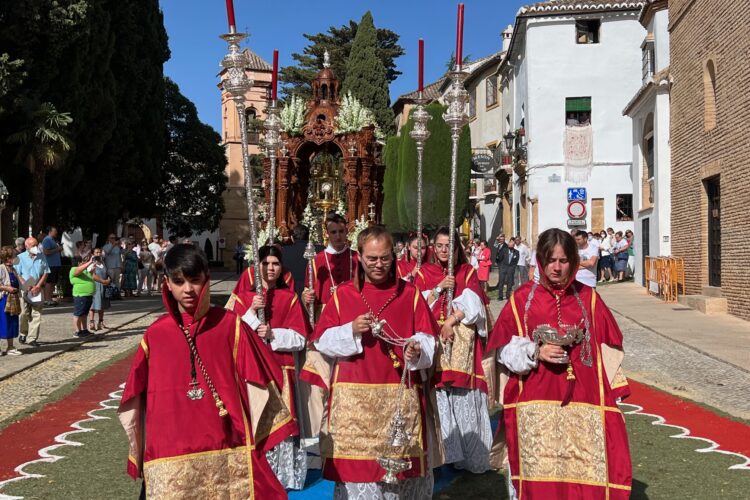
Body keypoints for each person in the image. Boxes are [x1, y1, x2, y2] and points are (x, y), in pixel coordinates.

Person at [117, 244, 289, 499]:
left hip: (227, 444)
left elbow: (261, 379)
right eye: (179, 281)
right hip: (169, 450)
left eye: (195, 280)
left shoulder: (231, 325)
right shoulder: (155, 335)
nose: (187, 289)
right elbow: (135, 397)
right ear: (167, 283)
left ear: (206, 279)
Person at [488, 228, 632, 498]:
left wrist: (615, 390)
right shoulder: (522, 300)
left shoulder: (588, 299)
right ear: (540, 261)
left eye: (563, 261)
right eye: (550, 261)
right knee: (538, 480)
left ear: (573, 262)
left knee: (580, 478)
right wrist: (535, 351)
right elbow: (502, 352)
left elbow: (607, 346)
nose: (556, 268)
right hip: (535, 404)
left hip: (582, 405)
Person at [312, 226, 439, 497]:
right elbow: (321, 341)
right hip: (353, 405)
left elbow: (429, 339)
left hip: (398, 398)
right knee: (358, 478)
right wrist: (351, 330)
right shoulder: (343, 294)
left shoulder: (410, 294)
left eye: (384, 258)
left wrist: (417, 351)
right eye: (372, 258)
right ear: (360, 257)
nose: (379, 264)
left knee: (399, 478)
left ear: (393, 257)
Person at [231, 245, 310, 490]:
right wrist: (252, 312)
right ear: (257, 266)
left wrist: (274, 334)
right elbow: (229, 331)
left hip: (282, 371)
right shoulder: (243, 298)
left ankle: (284, 475)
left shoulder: (290, 297)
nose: (271, 268)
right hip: (252, 370)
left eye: (275, 263)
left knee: (282, 423)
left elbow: (300, 338)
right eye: (265, 263)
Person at [422, 227, 492, 473]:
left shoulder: (467, 271)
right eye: (439, 246)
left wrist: (451, 321)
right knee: (438, 396)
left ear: (455, 249)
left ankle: (468, 455)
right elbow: (419, 305)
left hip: (461, 341)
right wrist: (440, 287)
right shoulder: (425, 272)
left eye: (448, 246)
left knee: (462, 396)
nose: (443, 251)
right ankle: (444, 454)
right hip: (433, 340)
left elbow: (475, 305)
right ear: (433, 247)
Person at [14, 238, 49, 347]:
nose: (35, 247)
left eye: (36, 245)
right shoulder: (19, 258)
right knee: (24, 313)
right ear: (26, 246)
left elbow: (46, 272)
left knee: (36, 314)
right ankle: (23, 333)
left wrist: (38, 286)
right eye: (33, 245)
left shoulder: (41, 256)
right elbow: (16, 273)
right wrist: (25, 284)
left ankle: (32, 338)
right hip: (24, 288)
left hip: (38, 288)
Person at [69, 250, 108, 338]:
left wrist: (92, 271)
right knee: (78, 314)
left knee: (84, 314)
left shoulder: (83, 270)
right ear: (78, 262)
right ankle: (77, 331)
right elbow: (78, 271)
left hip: (88, 295)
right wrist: (89, 261)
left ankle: (84, 330)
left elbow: (91, 277)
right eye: (82, 261)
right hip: (80, 295)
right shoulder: (74, 269)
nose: (83, 263)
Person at [0, 246, 22, 355]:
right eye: (14, 256)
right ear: (8, 258)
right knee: (2, 322)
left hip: (14, 299)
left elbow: (20, 280)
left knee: (12, 322)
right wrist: (7, 288)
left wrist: (29, 286)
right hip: (3, 300)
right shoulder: (1, 268)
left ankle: (10, 346)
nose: (16, 258)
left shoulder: (13, 269)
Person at [89, 247, 111, 331]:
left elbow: (106, 272)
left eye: (99, 252)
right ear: (93, 254)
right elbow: (93, 275)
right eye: (96, 252)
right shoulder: (92, 263)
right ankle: (91, 322)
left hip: (104, 285)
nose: (98, 254)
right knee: (93, 305)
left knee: (102, 304)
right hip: (95, 285)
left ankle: (100, 322)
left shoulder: (102, 262)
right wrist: (103, 281)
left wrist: (108, 279)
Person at [41, 226, 63, 306]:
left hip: (55, 264)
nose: (56, 232)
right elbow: (46, 252)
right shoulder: (47, 240)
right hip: (50, 264)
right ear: (50, 232)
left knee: (53, 282)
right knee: (49, 282)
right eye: (55, 231)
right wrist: (57, 249)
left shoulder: (53, 240)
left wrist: (59, 249)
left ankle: (49, 298)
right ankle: (47, 300)